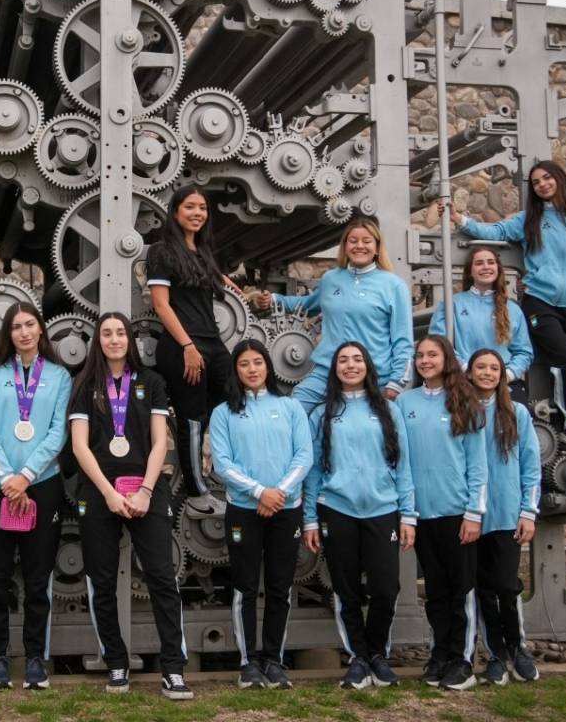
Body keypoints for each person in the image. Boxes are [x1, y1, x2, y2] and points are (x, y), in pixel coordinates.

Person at [68, 313, 193, 700]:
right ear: (98, 341)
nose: (114, 339)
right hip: (99, 491)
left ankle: (173, 669)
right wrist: (108, 493)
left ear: (130, 339)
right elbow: (79, 446)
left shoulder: (151, 382)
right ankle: (116, 663)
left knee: (162, 578)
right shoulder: (84, 384)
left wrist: (145, 490)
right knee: (101, 581)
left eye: (120, 332)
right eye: (106, 333)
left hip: (146, 489)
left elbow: (160, 443)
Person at [448, 160, 566, 442]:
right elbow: (496, 232)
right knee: (564, 356)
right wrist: (461, 220)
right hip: (540, 301)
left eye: (547, 178)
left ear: (559, 179)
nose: (542, 184)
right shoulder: (528, 220)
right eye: (536, 182)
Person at [0, 302, 71, 691]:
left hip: (41, 485)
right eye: (16, 327)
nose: (24, 332)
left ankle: (34, 659)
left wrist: (26, 476)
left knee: (37, 579)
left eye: (30, 324)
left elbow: (58, 433)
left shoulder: (59, 376)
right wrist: (8, 478)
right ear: (8, 334)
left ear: (41, 329)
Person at [303, 341, 414, 691]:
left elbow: (403, 465)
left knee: (385, 588)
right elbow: (313, 472)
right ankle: (358, 658)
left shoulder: (388, 410)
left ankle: (378, 654)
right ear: (335, 369)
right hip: (337, 509)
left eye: (357, 360)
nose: (350, 366)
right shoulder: (322, 414)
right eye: (343, 361)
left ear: (367, 366)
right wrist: (309, 518)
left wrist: (408, 515)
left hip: (383, 509)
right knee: (346, 589)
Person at [208, 339, 313, 690]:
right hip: (244, 510)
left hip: (285, 509)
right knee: (245, 587)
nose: (252, 369)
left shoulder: (290, 407)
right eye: (244, 364)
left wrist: (278, 492)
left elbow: (304, 456)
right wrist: (259, 492)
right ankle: (248, 662)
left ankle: (273, 660)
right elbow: (222, 464)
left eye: (257, 362)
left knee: (280, 587)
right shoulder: (223, 413)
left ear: (268, 365)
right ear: (235, 371)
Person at [397, 334, 487, 692]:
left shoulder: (464, 401)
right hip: (423, 515)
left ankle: (463, 660)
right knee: (435, 591)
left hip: (457, 513)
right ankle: (440, 654)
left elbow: (478, 465)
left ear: (446, 359)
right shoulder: (405, 403)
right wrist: (407, 511)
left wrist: (474, 512)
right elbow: (402, 461)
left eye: (432, 355)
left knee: (460, 590)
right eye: (420, 355)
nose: (425, 361)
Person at [148, 187, 240, 518]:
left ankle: (222, 472)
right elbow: (161, 305)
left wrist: (229, 284)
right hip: (183, 345)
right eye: (190, 207)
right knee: (191, 420)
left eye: (202, 208)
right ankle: (196, 495)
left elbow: (210, 282)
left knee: (234, 399)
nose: (197, 213)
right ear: (175, 212)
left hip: (213, 342)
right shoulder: (162, 252)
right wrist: (187, 346)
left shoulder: (203, 253)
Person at [255, 219, 413, 410]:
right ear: (345, 246)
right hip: (327, 370)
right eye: (353, 241)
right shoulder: (330, 279)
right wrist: (274, 300)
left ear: (377, 247)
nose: (359, 246)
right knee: (295, 409)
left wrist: (396, 382)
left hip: (374, 375)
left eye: (366, 241)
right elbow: (307, 305)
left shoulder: (393, 285)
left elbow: (403, 339)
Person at [465, 349, 542, 686]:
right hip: (472, 517)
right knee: (482, 589)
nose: (487, 373)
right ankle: (494, 655)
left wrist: (528, 512)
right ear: (469, 373)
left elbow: (531, 465)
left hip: (507, 514)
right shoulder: (462, 412)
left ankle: (517, 648)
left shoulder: (517, 413)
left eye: (494, 368)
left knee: (506, 586)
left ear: (501, 375)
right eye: (480, 367)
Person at [429, 245, 533, 403]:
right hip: (464, 379)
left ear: (498, 269)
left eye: (491, 262)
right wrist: (466, 369)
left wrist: (507, 375)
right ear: (470, 271)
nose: (486, 267)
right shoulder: (452, 304)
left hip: (504, 382)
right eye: (479, 263)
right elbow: (439, 343)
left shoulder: (512, 309)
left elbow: (524, 352)